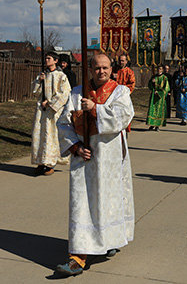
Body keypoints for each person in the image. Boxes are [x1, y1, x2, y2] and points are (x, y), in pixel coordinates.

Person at [55, 54, 135, 276]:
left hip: (109, 159)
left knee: (108, 201)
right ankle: (77, 257)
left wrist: (95, 109)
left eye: (105, 68)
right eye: (97, 68)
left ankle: (108, 239)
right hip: (84, 158)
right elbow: (63, 123)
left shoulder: (120, 92)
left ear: (112, 69)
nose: (102, 71)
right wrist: (75, 147)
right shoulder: (76, 93)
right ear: (90, 70)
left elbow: (124, 116)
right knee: (82, 203)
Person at [31, 52, 71, 176]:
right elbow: (34, 91)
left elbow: (65, 93)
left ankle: (50, 164)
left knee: (51, 137)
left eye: (49, 58)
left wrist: (49, 103)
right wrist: (39, 80)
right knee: (40, 136)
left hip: (53, 111)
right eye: (46, 58)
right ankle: (40, 162)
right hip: (41, 112)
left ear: (55, 60)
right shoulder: (42, 75)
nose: (46, 60)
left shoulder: (61, 76)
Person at [146, 65, 170, 131]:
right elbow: (149, 85)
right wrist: (152, 82)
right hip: (154, 96)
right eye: (158, 69)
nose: (159, 70)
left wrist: (159, 93)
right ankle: (152, 124)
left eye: (160, 69)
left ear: (162, 70)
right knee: (153, 110)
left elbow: (167, 88)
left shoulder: (165, 78)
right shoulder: (154, 77)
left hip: (160, 98)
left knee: (159, 111)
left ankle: (157, 126)